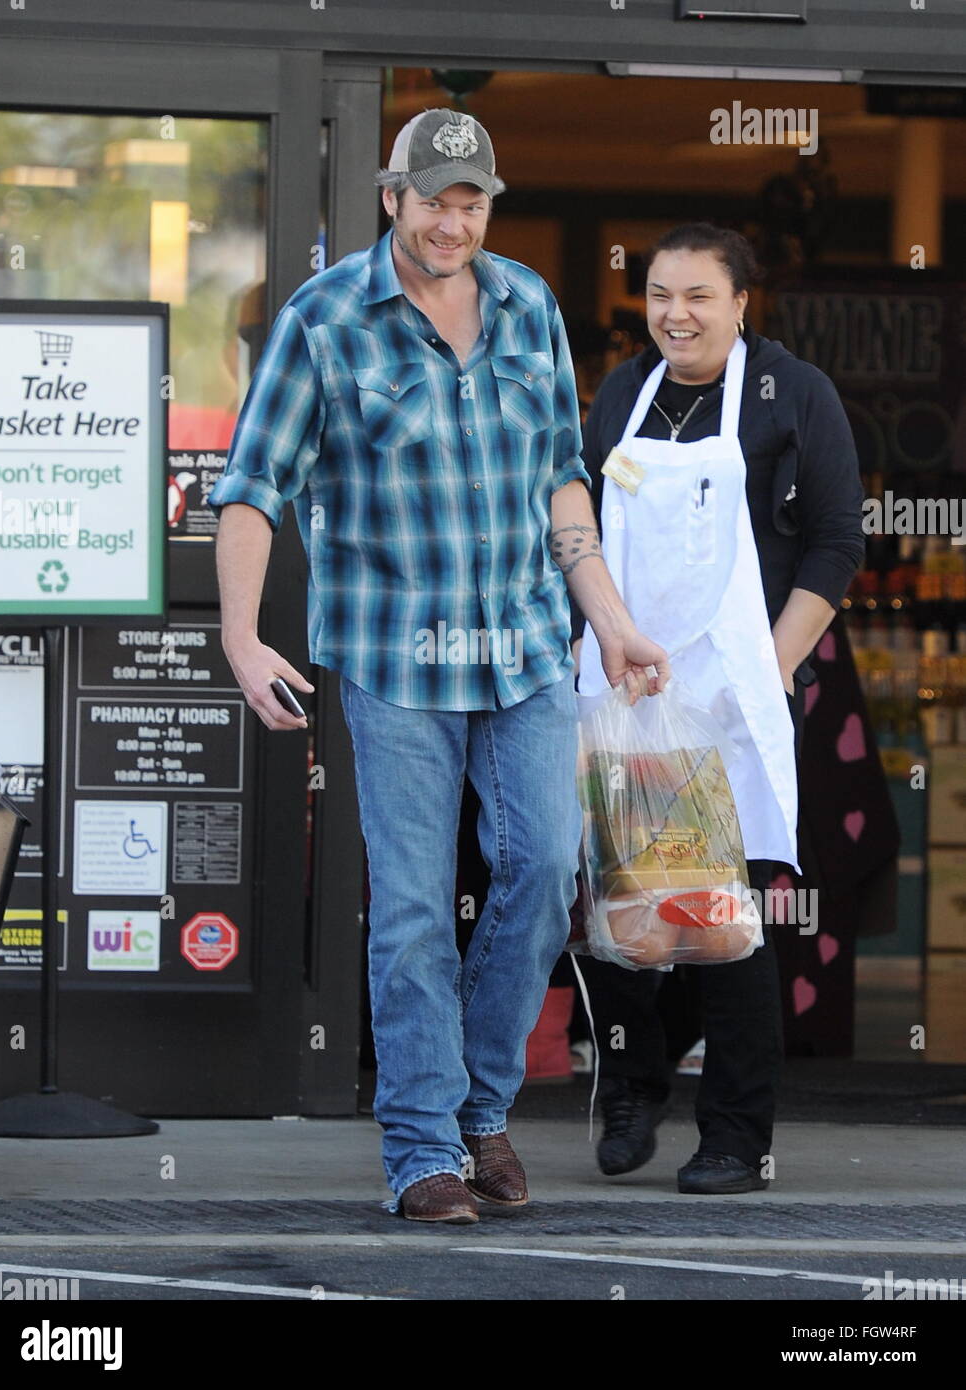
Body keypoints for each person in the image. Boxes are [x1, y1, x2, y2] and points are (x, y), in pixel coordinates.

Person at [210, 108, 669, 1224]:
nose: (454, 221)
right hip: (391, 655)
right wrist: (238, 632)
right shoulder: (324, 321)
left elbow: (561, 476)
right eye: (435, 199)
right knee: (413, 904)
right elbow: (253, 484)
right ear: (391, 197)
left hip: (519, 645)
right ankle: (422, 1149)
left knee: (548, 867)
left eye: (473, 201)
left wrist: (604, 615)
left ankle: (478, 1110)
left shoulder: (526, 308)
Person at [573, 222, 865, 1194]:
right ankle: (632, 1080)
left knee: (723, 923)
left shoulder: (790, 395)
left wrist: (768, 667)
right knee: (626, 915)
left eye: (697, 295)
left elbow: (833, 544)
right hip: (628, 689)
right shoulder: (624, 391)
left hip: (733, 697)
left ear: (742, 303)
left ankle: (736, 1136)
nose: (675, 314)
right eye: (659, 294)